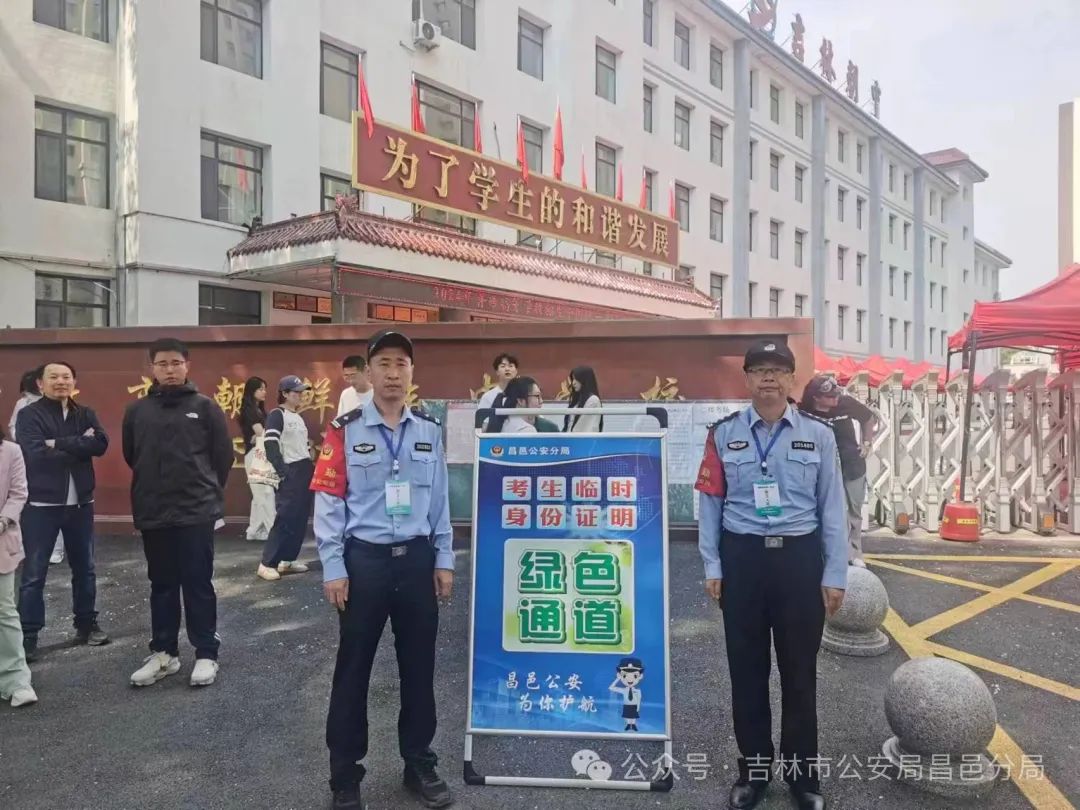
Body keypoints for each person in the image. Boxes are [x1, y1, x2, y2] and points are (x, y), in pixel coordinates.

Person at [696, 340, 847, 810]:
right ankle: (754, 772)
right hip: (742, 560)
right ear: (746, 379)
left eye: (777, 370)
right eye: (759, 369)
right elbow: (710, 503)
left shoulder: (818, 435)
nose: (768, 377)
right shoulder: (723, 434)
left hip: (799, 562)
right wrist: (713, 564)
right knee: (747, 671)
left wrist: (835, 572)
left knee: (799, 673)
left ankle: (804, 778)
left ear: (791, 379)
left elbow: (833, 506)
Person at [313, 328, 454, 810]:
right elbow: (329, 501)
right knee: (353, 670)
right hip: (364, 563)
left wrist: (444, 558)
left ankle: (419, 763)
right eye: (384, 364)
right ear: (368, 372)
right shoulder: (344, 429)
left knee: (419, 668)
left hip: (416, 560)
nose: (394, 373)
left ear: (411, 372)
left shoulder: (429, 430)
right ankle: (344, 776)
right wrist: (333, 566)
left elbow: (440, 501)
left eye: (402, 364)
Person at [122, 338, 233, 688]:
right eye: (162, 364)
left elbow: (223, 457)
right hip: (153, 510)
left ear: (187, 365)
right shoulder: (137, 411)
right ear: (152, 368)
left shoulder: (205, 407)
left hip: (195, 510)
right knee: (162, 584)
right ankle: (164, 653)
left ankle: (206, 653)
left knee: (198, 582)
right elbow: (132, 455)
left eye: (175, 363)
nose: (169, 370)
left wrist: (204, 491)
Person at [16, 362, 110, 662]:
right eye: (53, 377)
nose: (61, 382)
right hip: (41, 506)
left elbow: (100, 444)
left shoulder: (85, 413)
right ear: (40, 384)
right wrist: (80, 444)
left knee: (85, 569)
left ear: (74, 382)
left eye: (66, 377)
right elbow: (35, 453)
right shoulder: (29, 415)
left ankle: (86, 624)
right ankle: (28, 635)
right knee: (34, 574)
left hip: (80, 504)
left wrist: (57, 442)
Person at [798, 375, 879, 566]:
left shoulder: (845, 403)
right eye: (830, 396)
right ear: (816, 397)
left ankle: (855, 553)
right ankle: (829, 552)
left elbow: (868, 418)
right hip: (823, 468)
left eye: (836, 394)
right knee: (827, 511)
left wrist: (867, 443)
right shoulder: (804, 412)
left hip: (852, 464)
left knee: (854, 512)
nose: (835, 398)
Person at [258, 376, 315, 582]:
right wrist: (282, 472)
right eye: (296, 392)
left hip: (304, 469)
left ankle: (288, 559)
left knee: (299, 518)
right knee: (285, 517)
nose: (300, 395)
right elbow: (270, 444)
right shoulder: (277, 415)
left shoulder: (297, 417)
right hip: (291, 470)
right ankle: (267, 563)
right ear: (284, 394)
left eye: (301, 392)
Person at [8, 368, 63, 566]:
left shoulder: (56, 404)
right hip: (27, 460)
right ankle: (26, 547)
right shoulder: (22, 404)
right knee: (27, 505)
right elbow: (13, 427)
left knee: (55, 506)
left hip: (52, 461)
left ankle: (56, 550)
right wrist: (26, 441)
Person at [0, 415, 36, 707]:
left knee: (4, 611)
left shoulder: (11, 451)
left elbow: (18, 493)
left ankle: (16, 681)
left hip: (1, 540)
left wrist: (3, 521)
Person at [238, 376, 275, 542]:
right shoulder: (249, 410)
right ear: (252, 391)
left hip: (261, 452)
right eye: (261, 389)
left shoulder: (259, 410)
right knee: (264, 494)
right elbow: (261, 433)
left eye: (265, 389)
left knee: (260, 494)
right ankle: (273, 531)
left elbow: (260, 434)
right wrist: (263, 434)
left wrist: (261, 435)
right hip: (255, 455)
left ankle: (255, 531)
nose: (264, 392)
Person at [563, 366, 604, 433]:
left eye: (576, 379)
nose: (573, 383)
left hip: (580, 439)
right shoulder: (577, 400)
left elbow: (585, 428)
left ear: (585, 380)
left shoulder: (593, 400)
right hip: (570, 438)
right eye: (573, 379)